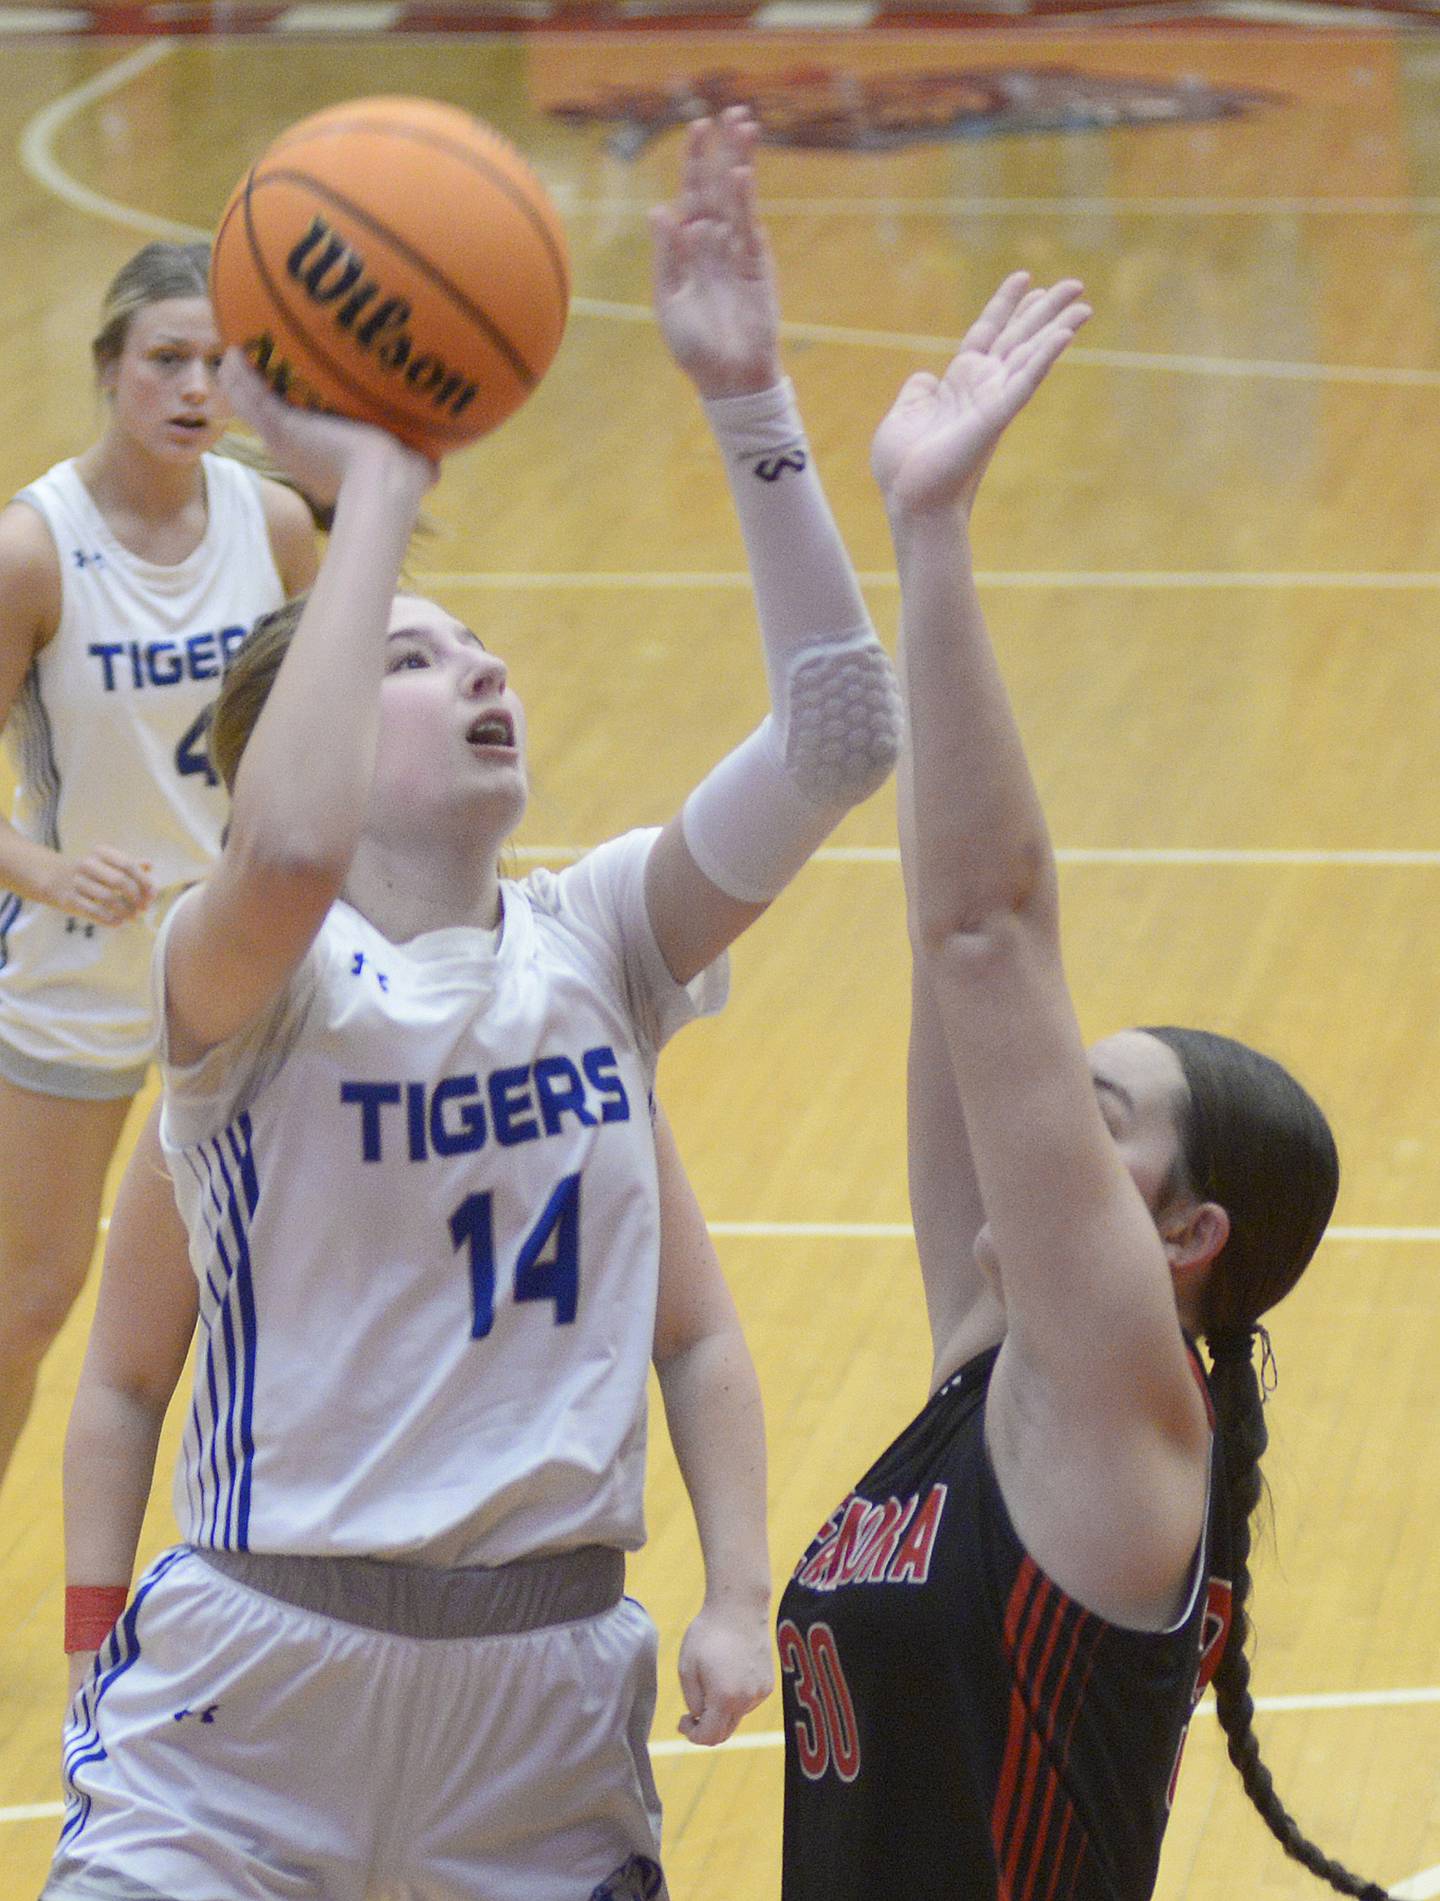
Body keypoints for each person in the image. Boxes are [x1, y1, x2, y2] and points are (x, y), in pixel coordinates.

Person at [44, 109, 901, 1901]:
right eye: (418, 656)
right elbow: (281, 850)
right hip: (255, 1688)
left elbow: (838, 735)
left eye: (476, 646)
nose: (482, 662)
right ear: (331, 730)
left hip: (545, 1695)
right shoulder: (241, 976)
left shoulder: (597, 936)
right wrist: (385, 487)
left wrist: (749, 397)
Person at [777, 277, 1392, 1901]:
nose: (1031, 1110)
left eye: (1092, 1110)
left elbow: (991, 937)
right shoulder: (997, 1385)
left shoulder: (1123, 1423)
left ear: (1183, 1237)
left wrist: (936, 535)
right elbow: (947, 939)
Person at [0, 240, 319, 1499]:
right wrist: (44, 869)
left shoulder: (277, 525)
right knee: (28, 1299)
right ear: (109, 371)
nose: (195, 388)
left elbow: (329, 732)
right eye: (167, 360)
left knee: (284, 1290)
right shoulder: (32, 550)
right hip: (76, 962)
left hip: (242, 962)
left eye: (219, 365)